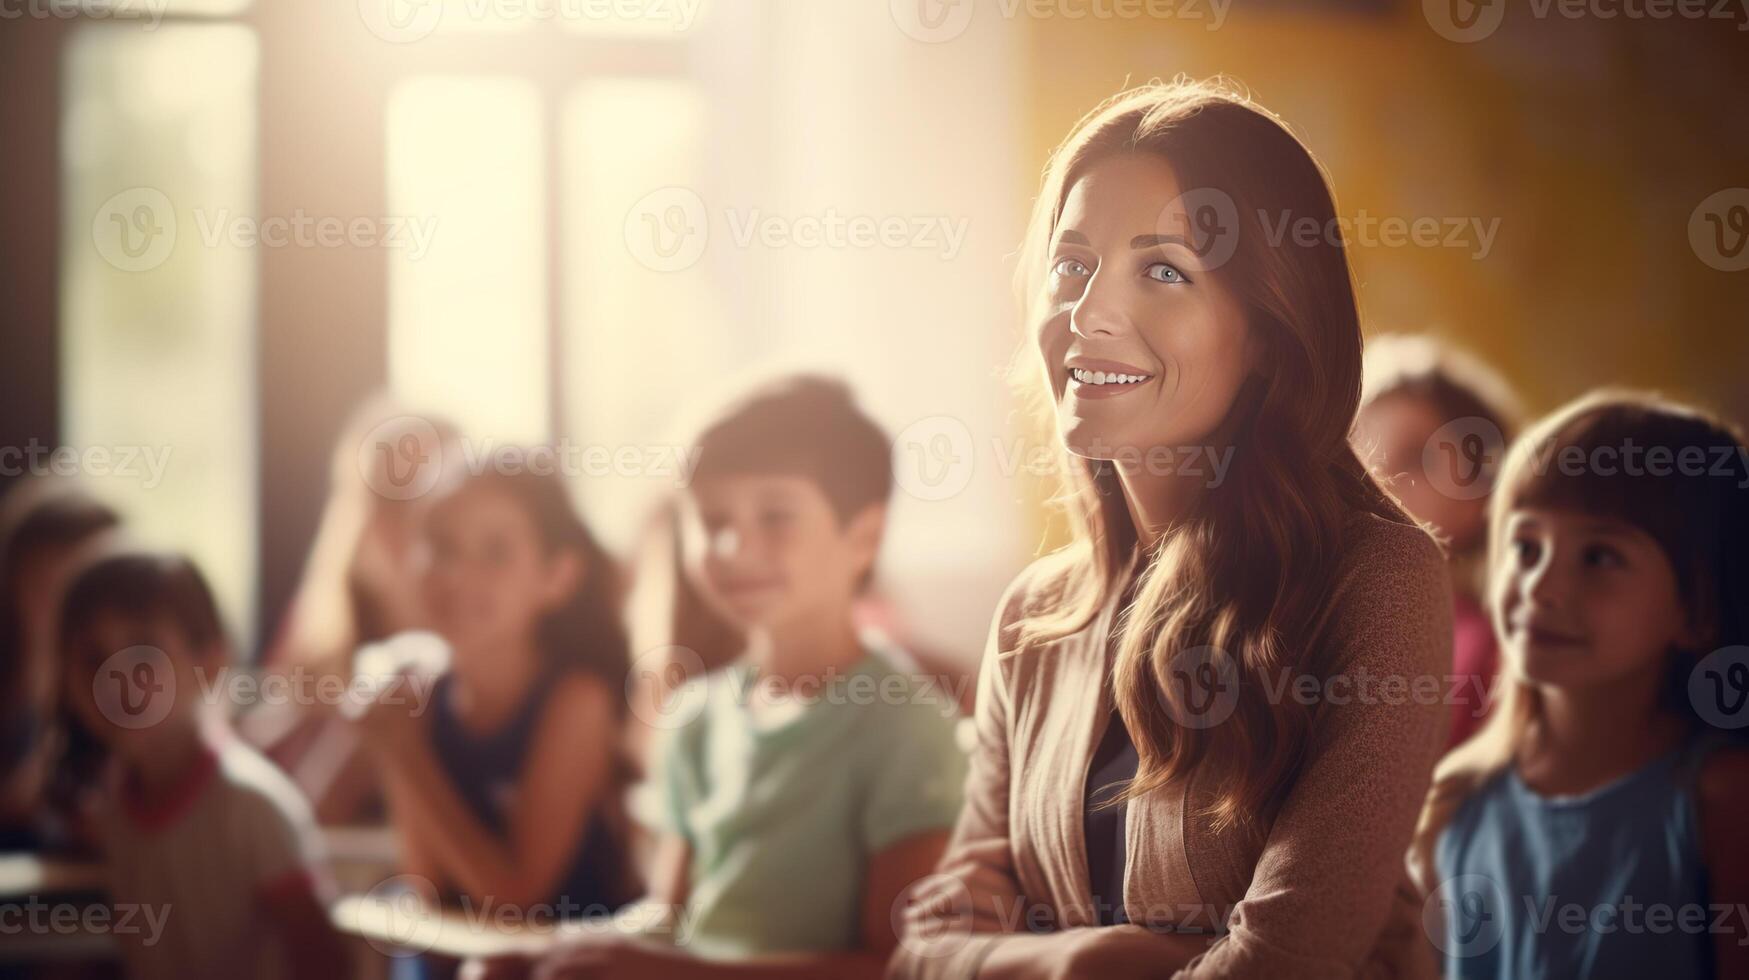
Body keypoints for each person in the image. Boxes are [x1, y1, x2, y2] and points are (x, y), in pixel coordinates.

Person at [893, 79, 1452, 979]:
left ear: (1270, 329)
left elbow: (1285, 966)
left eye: (1162, 271)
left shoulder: (1376, 581)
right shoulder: (1032, 618)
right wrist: (1094, 961)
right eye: (1070, 266)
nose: (1085, 314)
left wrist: (1031, 958)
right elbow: (919, 956)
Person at [519, 374, 967, 980]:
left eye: (776, 517)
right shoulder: (696, 716)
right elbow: (668, 919)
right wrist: (549, 954)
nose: (732, 546)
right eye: (711, 518)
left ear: (863, 537)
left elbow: (895, 966)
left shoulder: (902, 726)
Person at [1409, 391, 1749, 979]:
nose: (1540, 587)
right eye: (1525, 547)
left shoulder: (1721, 802)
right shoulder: (1452, 802)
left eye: (1599, 556)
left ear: (1697, 611)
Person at [354, 467, 640, 939]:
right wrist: (394, 742)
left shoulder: (576, 701)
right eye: (442, 548)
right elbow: (428, 886)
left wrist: (401, 753)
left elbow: (518, 901)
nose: (458, 574)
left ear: (556, 577)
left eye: (495, 552)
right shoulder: (418, 700)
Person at [59, 550, 347, 980]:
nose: (113, 679)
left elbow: (325, 961)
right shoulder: (113, 807)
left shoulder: (252, 806)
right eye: (92, 659)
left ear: (210, 665)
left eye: (143, 652)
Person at [1352, 333, 1522, 749]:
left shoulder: (1489, 657)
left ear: (1479, 496)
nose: (1374, 486)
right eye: (1356, 459)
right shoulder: (1294, 624)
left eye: (1412, 458)